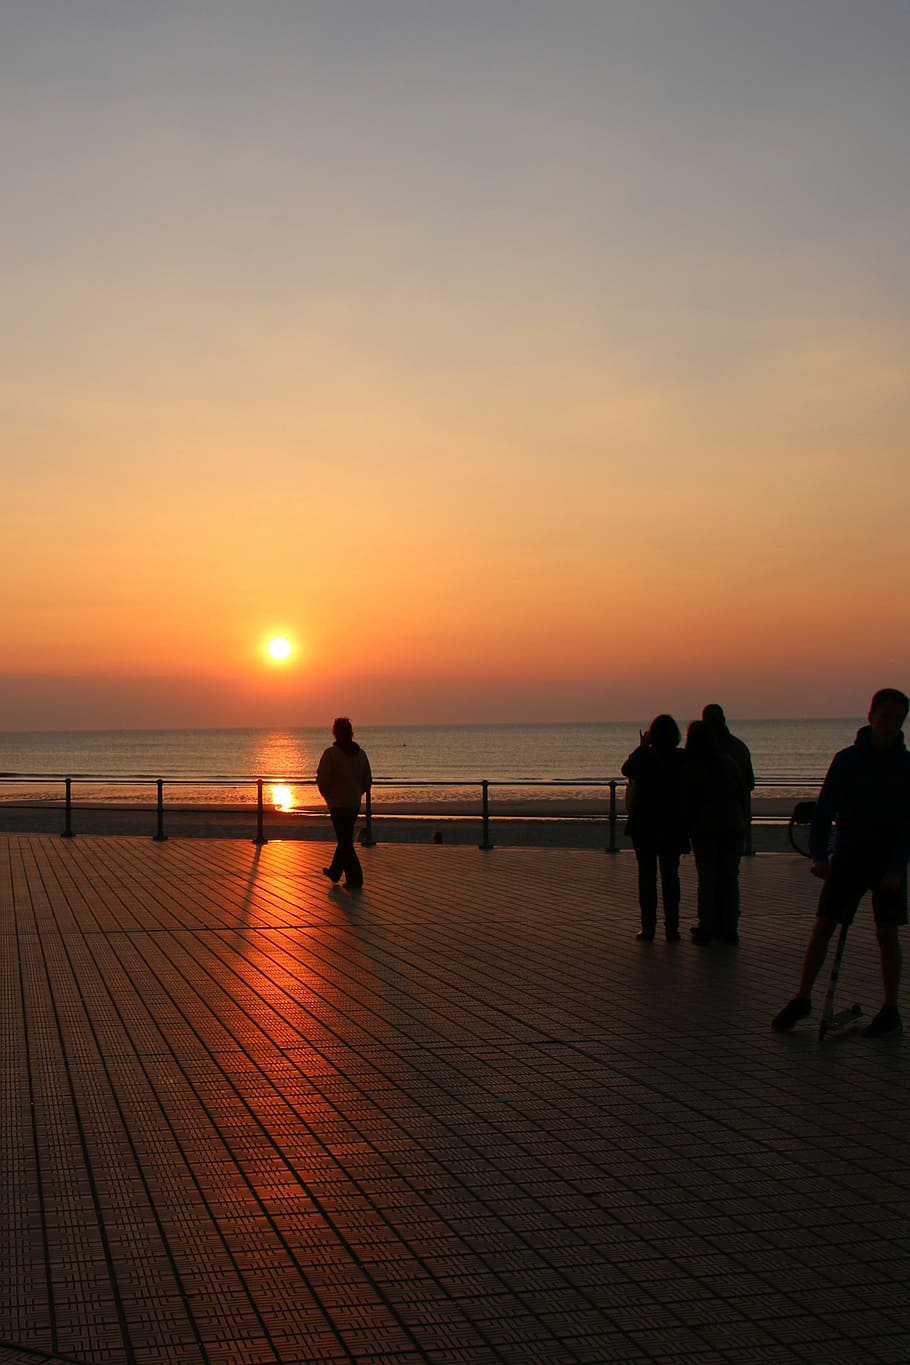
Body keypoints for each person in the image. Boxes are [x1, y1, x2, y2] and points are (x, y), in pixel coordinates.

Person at [772, 688, 910, 1038]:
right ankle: (803, 996)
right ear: (871, 717)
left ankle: (891, 1007)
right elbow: (824, 810)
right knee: (823, 928)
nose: (891, 724)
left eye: (898, 718)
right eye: (886, 716)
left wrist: (896, 866)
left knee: (886, 933)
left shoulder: (906, 766)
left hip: (886, 862)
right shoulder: (847, 760)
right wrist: (819, 855)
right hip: (848, 857)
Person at [622, 715, 689, 942]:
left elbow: (626, 770)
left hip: (644, 824)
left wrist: (642, 746)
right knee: (671, 877)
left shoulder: (645, 754)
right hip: (672, 823)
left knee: (647, 877)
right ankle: (672, 928)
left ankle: (648, 927)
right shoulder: (682, 757)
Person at [682, 719, 748, 943]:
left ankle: (707, 925)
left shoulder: (691, 765)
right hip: (732, 826)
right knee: (729, 878)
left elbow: (688, 800)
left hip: (706, 829)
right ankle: (730, 927)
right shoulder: (728, 762)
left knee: (708, 878)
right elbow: (741, 792)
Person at [316, 717, 372, 889]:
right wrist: (356, 793)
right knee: (345, 839)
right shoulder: (361, 754)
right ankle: (335, 871)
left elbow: (323, 778)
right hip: (353, 803)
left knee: (345, 841)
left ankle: (355, 878)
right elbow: (367, 780)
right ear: (351, 732)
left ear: (335, 733)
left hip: (338, 804)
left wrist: (327, 795)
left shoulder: (331, 754)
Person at [702, 704, 755, 797]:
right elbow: (750, 783)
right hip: (737, 807)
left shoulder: (707, 751)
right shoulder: (740, 746)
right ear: (723, 719)